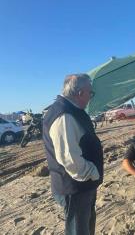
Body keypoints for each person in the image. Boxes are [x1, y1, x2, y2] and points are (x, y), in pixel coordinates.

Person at [43, 74, 103, 235]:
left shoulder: (71, 110)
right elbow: (68, 157)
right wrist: (91, 172)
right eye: (90, 93)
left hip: (81, 185)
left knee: (85, 226)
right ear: (80, 93)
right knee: (79, 230)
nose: (91, 96)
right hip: (76, 187)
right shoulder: (64, 114)